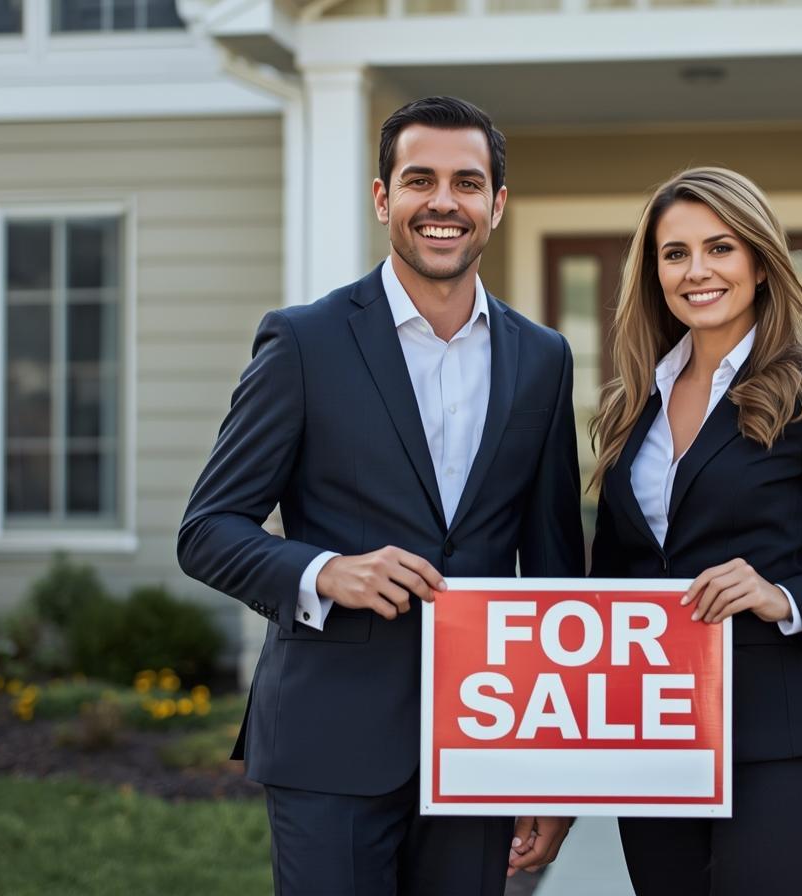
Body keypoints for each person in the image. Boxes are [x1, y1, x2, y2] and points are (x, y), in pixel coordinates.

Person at [178, 96, 583, 896]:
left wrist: (552, 770)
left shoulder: (543, 358)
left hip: (482, 739)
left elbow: (552, 572)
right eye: (419, 180)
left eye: (467, 183)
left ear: (496, 206)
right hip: (330, 739)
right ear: (382, 198)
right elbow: (208, 530)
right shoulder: (304, 342)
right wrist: (327, 571)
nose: (443, 202)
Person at [588, 167, 802, 895]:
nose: (696, 270)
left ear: (760, 262)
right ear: (653, 272)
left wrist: (785, 597)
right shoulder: (631, 401)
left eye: (721, 247)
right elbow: (611, 574)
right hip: (651, 724)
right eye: (674, 253)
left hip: (771, 723)